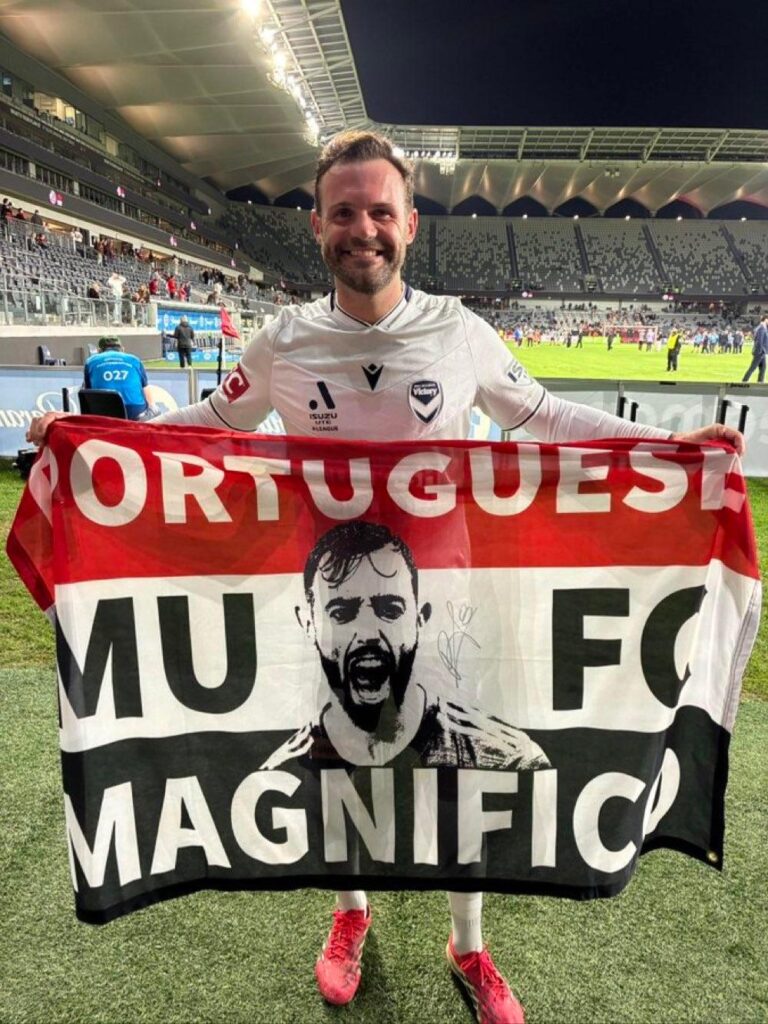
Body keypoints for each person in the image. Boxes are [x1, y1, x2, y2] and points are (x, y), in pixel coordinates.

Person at [27, 129, 745, 1024]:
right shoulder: (287, 339)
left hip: (448, 604)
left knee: (456, 777)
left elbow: (543, 414)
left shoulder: (458, 331)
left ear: (409, 223)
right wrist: (96, 438)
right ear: (318, 226)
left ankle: (469, 946)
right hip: (333, 609)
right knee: (342, 765)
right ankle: (350, 913)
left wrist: (666, 449)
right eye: (342, 212)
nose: (360, 228)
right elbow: (209, 425)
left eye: (378, 211)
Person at [263, 520, 549, 773]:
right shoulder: (281, 780)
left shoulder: (510, 762)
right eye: (341, 613)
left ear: (420, 619)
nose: (369, 634)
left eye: (389, 609)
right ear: (309, 625)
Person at [82, 336, 155, 421]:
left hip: (103, 410)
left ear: (99, 350)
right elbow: (145, 388)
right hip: (134, 410)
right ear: (122, 349)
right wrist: (152, 407)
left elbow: (87, 391)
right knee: (155, 411)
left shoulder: (90, 361)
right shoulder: (134, 360)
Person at [742, 313, 768, 383]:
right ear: (766, 319)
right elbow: (759, 341)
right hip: (760, 352)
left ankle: (760, 382)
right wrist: (760, 352)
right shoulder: (761, 328)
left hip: (762, 352)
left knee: (763, 368)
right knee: (753, 368)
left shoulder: (762, 327)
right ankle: (744, 381)